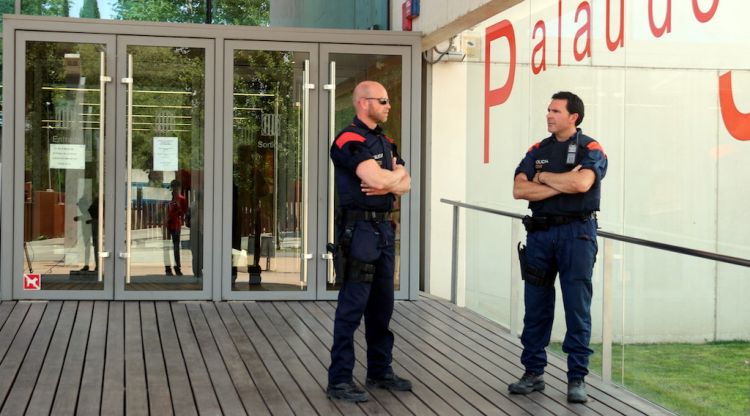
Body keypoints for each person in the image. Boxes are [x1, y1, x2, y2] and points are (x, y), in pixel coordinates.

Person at [509, 91, 607, 403]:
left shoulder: (591, 148)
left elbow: (581, 185)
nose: (549, 115)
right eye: (548, 110)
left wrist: (541, 179)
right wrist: (558, 181)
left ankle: (577, 378)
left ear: (573, 117)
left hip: (577, 236)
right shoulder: (537, 149)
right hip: (540, 236)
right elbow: (518, 189)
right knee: (535, 307)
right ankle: (533, 372)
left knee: (577, 308)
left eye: (555, 111)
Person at [326, 81, 412, 402]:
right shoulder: (348, 138)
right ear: (363, 103)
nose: (389, 105)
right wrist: (392, 180)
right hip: (358, 231)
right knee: (352, 306)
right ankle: (339, 380)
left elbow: (408, 183)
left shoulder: (385, 140)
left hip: (384, 231)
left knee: (382, 305)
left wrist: (391, 183)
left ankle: (379, 371)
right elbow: (378, 178)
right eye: (384, 100)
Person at [164, 179, 188, 276]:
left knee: (176, 247)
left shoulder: (182, 199)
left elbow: (184, 213)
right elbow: (162, 210)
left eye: (176, 187)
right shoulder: (167, 198)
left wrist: (178, 207)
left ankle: (177, 267)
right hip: (167, 225)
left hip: (176, 225)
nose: (175, 189)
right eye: (173, 187)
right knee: (166, 247)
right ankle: (167, 268)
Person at [74, 194, 99, 272]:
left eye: (81, 207)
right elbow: (85, 216)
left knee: (96, 246)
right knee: (87, 246)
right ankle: (86, 265)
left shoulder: (95, 206)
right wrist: (79, 218)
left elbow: (98, 218)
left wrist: (91, 221)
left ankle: (98, 265)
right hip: (87, 228)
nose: (80, 208)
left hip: (94, 227)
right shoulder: (86, 209)